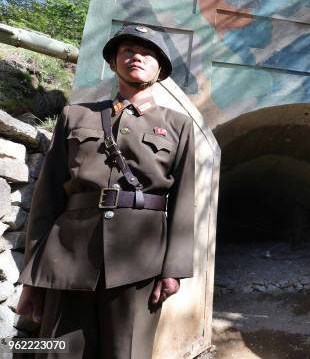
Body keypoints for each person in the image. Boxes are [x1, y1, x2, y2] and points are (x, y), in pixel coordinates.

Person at [16, 24, 195, 359]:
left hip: (139, 264)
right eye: (127, 50)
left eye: (147, 52)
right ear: (113, 63)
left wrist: (173, 269)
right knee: (58, 353)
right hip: (67, 258)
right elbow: (47, 197)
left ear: (161, 69)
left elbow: (185, 201)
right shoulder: (75, 115)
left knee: (126, 353)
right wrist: (32, 275)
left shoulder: (178, 126)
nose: (136, 56)